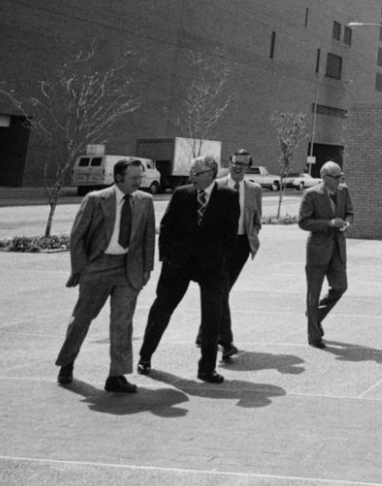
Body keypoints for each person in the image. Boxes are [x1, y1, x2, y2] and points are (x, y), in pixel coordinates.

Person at [55, 158, 156, 394]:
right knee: (82, 318)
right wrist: (81, 268)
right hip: (97, 267)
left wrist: (145, 270)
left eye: (140, 177)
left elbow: (148, 238)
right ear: (118, 178)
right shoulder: (95, 199)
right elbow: (77, 236)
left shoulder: (145, 201)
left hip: (128, 269)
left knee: (122, 323)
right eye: (134, 178)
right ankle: (67, 363)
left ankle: (117, 375)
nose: (139, 182)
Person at [136, 154, 238, 383]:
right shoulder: (182, 194)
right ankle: (145, 356)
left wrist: (221, 259)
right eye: (190, 172)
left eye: (196, 173)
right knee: (160, 310)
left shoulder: (229, 197)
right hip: (178, 264)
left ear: (211, 174)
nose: (191, 177)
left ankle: (207, 368)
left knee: (212, 317)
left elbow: (231, 235)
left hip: (212, 267)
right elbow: (166, 226)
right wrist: (167, 257)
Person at [204, 149, 263, 363]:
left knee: (222, 289)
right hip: (218, 247)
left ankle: (205, 333)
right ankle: (225, 341)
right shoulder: (217, 185)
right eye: (235, 162)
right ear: (229, 163)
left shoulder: (254, 189)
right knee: (221, 290)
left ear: (249, 167)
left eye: (243, 164)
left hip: (240, 246)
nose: (238, 167)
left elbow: (257, 218)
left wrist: (252, 236)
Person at [298, 161, 353, 348]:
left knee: (340, 287)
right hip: (317, 249)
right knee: (313, 292)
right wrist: (329, 223)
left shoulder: (343, 191)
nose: (340, 179)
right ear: (324, 177)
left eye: (341, 176)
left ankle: (314, 315)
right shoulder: (311, 195)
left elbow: (349, 213)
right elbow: (303, 222)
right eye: (336, 177)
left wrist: (347, 223)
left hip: (338, 248)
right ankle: (313, 336)